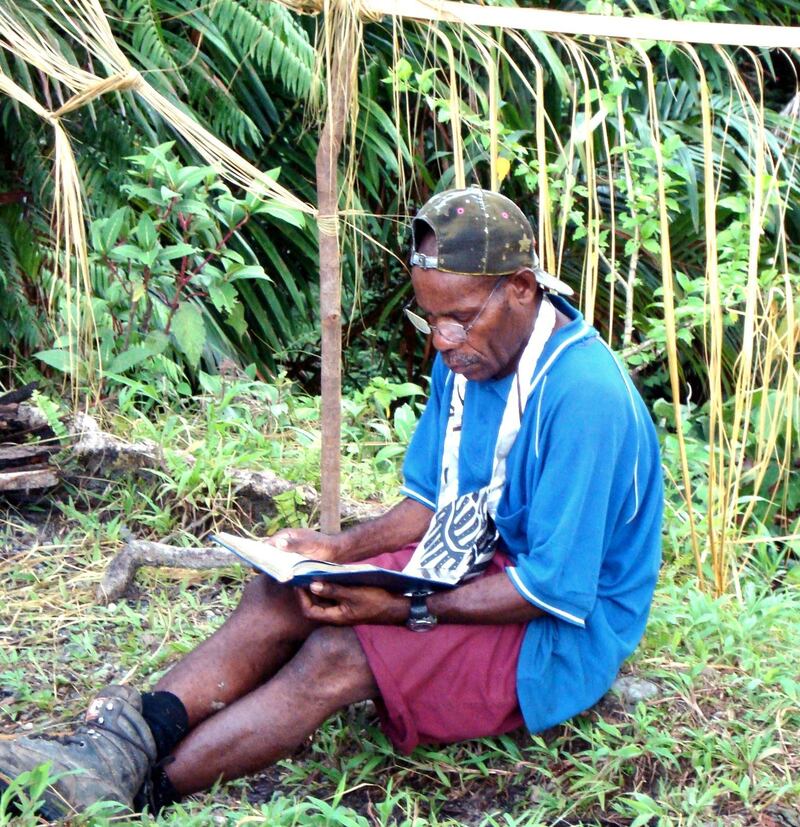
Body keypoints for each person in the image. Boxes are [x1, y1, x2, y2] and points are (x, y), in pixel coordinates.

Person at [0, 187, 663, 820]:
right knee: (282, 590)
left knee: (343, 649)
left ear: (521, 288)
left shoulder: (584, 397)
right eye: (429, 317)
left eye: (459, 317)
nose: (442, 339)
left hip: (559, 630)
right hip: (481, 559)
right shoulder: (469, 356)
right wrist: (338, 549)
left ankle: (144, 790)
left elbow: (554, 588)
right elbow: (434, 502)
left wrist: (405, 606)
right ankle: (114, 745)